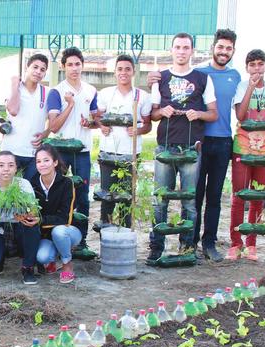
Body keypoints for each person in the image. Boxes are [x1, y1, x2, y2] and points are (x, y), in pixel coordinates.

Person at [147, 32, 218, 266]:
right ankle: (156, 248)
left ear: (192, 51)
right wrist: (161, 112)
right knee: (160, 199)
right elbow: (153, 114)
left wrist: (198, 114)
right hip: (165, 147)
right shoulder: (161, 78)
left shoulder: (202, 78)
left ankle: (187, 247)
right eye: (177, 47)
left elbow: (213, 113)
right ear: (171, 50)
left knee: (189, 200)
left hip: (191, 148)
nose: (181, 51)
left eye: (186, 47)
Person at [228, 49, 265, 261]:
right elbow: (241, 115)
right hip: (243, 150)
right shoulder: (242, 87)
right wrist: (250, 89)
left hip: (264, 152)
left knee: (258, 198)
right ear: (247, 68)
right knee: (239, 197)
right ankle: (236, 243)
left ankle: (251, 244)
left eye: (260, 64)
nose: (256, 68)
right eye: (252, 65)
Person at [46, 47, 98, 259]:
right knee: (59, 195)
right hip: (60, 152)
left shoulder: (91, 90)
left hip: (83, 151)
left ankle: (81, 241)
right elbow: (54, 126)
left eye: (78, 64)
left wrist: (91, 123)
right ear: (63, 67)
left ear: (82, 65)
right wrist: (70, 105)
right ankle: (55, 239)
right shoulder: (57, 91)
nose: (74, 68)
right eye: (70, 64)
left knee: (83, 196)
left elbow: (97, 120)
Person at [193, 29, 241, 261]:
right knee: (195, 194)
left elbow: (246, 101)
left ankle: (209, 243)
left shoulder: (236, 76)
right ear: (213, 47)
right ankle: (190, 242)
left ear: (233, 51)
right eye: (220, 47)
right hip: (200, 141)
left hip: (223, 142)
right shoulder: (199, 73)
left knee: (214, 196)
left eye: (228, 48)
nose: (224, 52)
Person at [95, 54, 152, 230]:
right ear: (115, 72)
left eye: (127, 69)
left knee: (127, 196)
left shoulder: (141, 96)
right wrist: (101, 126)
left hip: (130, 153)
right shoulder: (105, 94)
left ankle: (126, 231)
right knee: (108, 196)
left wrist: (138, 130)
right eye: (120, 69)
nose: (123, 72)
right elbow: (98, 116)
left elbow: (148, 124)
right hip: (108, 152)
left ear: (133, 72)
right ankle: (107, 232)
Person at [0, 151, 42, 284]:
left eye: (10, 165)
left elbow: (34, 211)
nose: (6, 169)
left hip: (20, 227)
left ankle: (28, 268)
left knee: (32, 227)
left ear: (16, 168)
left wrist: (27, 214)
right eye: (1, 165)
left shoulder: (24, 184)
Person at [31, 145, 79, 284]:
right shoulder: (31, 184)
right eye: (38, 161)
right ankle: (52, 259)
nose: (42, 165)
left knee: (59, 231)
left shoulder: (66, 183)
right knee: (42, 257)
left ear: (55, 162)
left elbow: (65, 218)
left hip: (67, 231)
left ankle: (67, 264)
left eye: (46, 160)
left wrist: (39, 220)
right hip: (46, 235)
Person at [2, 53, 50, 181]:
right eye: (35, 67)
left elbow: (54, 120)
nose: (38, 72)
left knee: (29, 193)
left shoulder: (46, 92)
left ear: (45, 74)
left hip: (33, 153)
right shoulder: (15, 89)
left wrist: (46, 133)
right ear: (27, 68)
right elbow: (13, 110)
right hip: (11, 151)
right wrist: (14, 85)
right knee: (9, 193)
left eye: (42, 69)